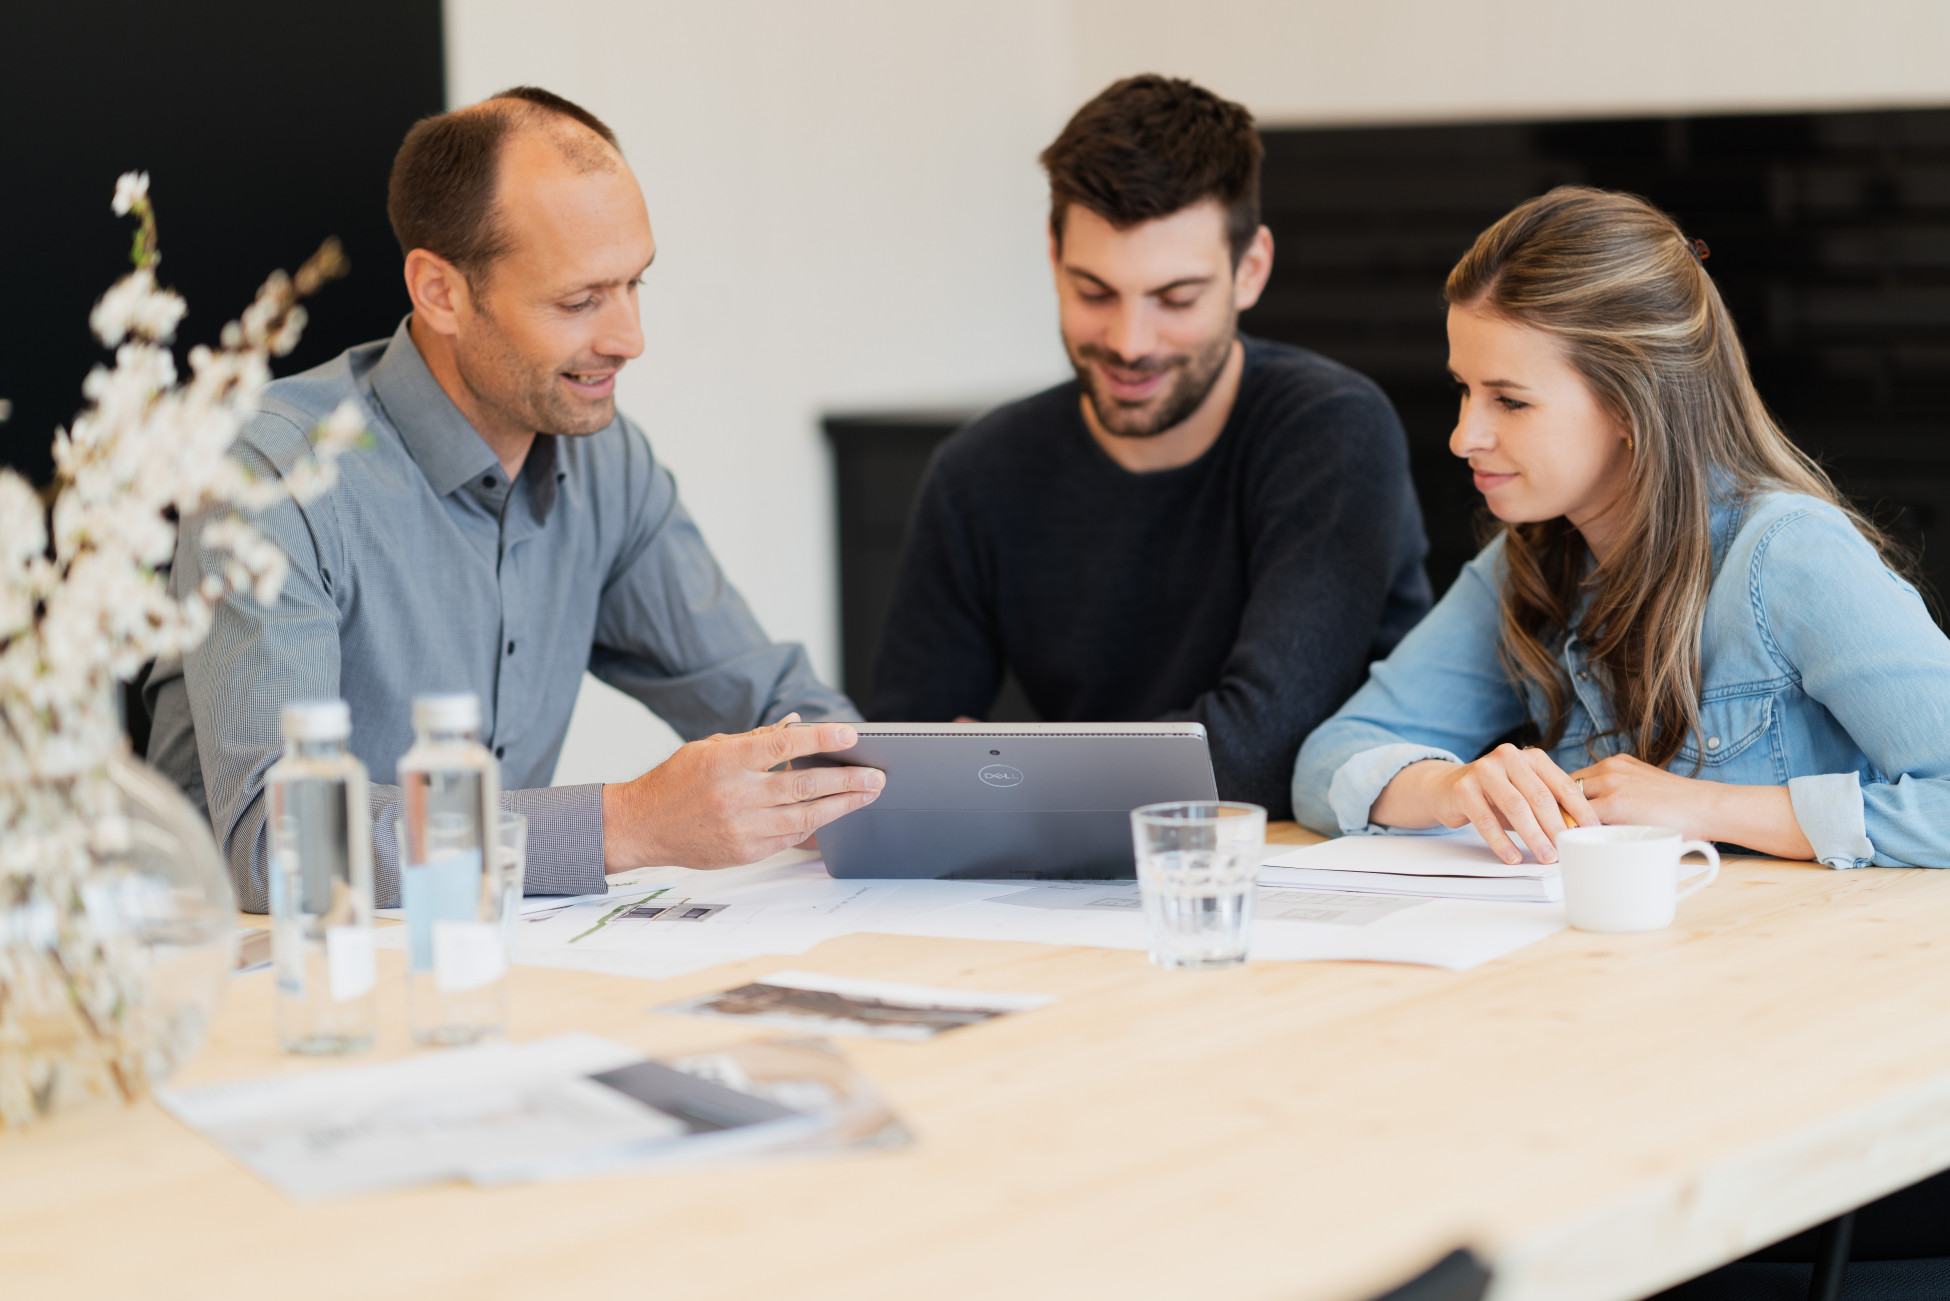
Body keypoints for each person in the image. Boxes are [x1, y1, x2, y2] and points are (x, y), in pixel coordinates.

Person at [144, 87, 882, 911]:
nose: (630, 338)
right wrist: (628, 823)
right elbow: (280, 839)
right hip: (247, 986)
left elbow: (765, 697)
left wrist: (902, 783)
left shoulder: (605, 463)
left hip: (490, 966)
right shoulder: (276, 476)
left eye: (635, 284)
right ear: (439, 292)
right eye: (580, 300)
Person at [1292, 185, 1950, 869]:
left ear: (1632, 407)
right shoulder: (1523, 566)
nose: (1464, 436)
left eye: (1510, 400)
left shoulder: (1790, 556)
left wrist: (1704, 806)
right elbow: (1328, 759)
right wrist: (1449, 786)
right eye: (1465, 388)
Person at [868, 75, 1431, 819]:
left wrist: (1014, 766)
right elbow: (911, 765)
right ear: (1052, 256)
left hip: (1302, 868)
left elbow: (1259, 757)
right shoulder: (978, 471)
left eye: (1176, 299)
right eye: (1094, 292)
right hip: (1084, 872)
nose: (1130, 343)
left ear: (1250, 270)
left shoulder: (1331, 428)